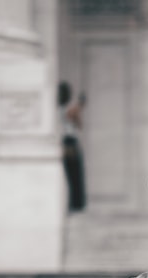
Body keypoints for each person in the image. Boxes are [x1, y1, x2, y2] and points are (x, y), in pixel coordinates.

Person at [58, 81, 86, 212]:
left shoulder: (61, 108)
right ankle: (74, 204)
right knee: (73, 174)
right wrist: (79, 105)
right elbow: (73, 116)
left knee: (73, 174)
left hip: (67, 142)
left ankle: (75, 204)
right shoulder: (64, 109)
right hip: (68, 142)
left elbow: (78, 122)